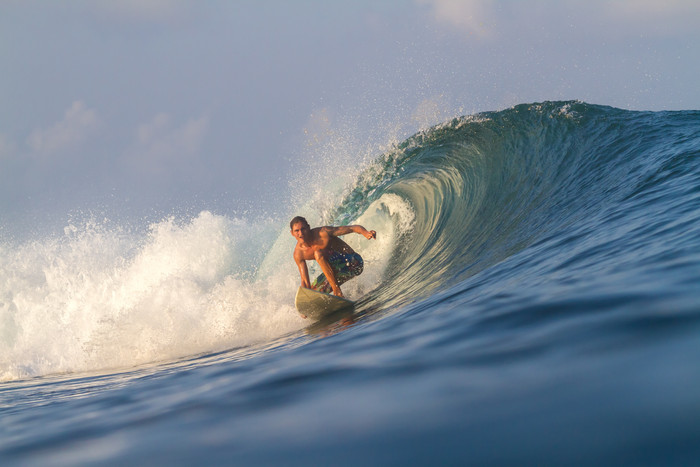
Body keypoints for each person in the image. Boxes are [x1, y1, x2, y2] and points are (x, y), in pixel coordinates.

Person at [290, 216, 376, 298]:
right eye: (296, 231)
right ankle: (342, 296)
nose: (300, 233)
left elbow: (352, 228)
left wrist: (366, 233)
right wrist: (305, 302)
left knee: (318, 254)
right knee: (314, 292)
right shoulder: (298, 254)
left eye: (303, 229)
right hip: (337, 272)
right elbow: (305, 282)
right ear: (292, 233)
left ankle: (337, 291)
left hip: (354, 263)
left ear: (308, 227)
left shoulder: (323, 232)